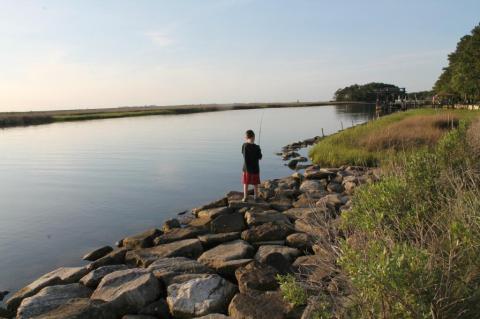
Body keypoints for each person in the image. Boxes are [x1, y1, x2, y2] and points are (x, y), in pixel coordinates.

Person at [241, 129, 262, 202]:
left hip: (246, 168)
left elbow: (242, 153)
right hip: (255, 169)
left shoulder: (244, 145)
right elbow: (260, 157)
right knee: (255, 184)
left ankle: (245, 197)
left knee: (245, 183)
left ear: (246, 138)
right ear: (254, 137)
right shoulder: (257, 147)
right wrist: (258, 149)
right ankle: (256, 197)